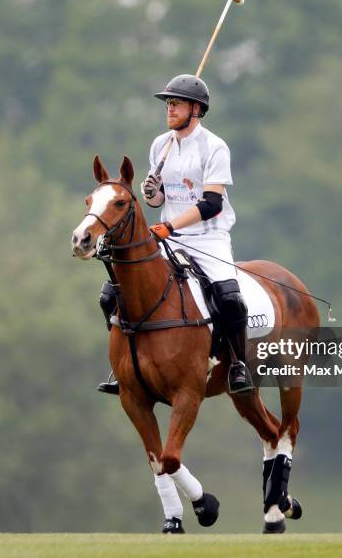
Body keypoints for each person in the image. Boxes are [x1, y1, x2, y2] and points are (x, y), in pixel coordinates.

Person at [97, 74, 253, 395]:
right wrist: (153, 193)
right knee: (109, 295)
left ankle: (238, 364)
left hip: (209, 237)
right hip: (169, 237)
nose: (169, 110)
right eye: (168, 104)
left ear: (195, 108)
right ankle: (123, 362)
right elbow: (160, 200)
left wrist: (170, 225)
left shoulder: (215, 147)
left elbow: (211, 203)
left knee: (230, 299)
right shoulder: (161, 145)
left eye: (176, 104)